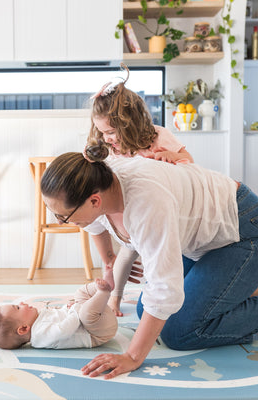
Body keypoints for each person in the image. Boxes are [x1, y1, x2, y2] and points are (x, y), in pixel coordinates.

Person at [40, 150, 258, 380]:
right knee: (143, 309)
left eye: (64, 217)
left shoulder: (146, 203)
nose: (62, 221)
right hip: (204, 242)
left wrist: (132, 357)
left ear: (94, 200)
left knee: (178, 332)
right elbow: (93, 223)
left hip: (247, 233)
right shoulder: (96, 178)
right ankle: (244, 283)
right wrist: (109, 260)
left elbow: (164, 290)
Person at [85, 64, 194, 316]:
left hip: (160, 213)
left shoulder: (157, 136)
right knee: (123, 258)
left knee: (160, 263)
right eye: (102, 133)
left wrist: (168, 155)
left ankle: (161, 295)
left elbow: (188, 160)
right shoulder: (110, 150)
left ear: (130, 124)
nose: (107, 138)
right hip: (132, 221)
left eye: (111, 132)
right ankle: (115, 297)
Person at [0, 267, 118, 350]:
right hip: (96, 334)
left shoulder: (38, 322)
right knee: (85, 313)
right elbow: (64, 330)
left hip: (94, 323)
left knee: (80, 294)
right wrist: (74, 310)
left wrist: (66, 308)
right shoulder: (39, 335)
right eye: (17, 307)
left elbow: (59, 316)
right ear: (23, 328)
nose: (21, 302)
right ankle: (103, 293)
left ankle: (105, 285)